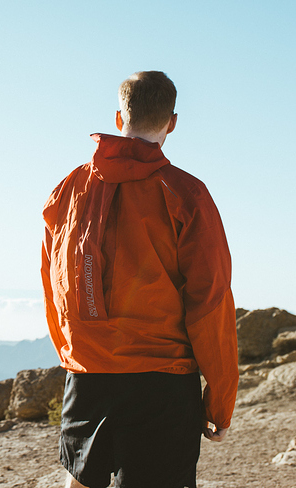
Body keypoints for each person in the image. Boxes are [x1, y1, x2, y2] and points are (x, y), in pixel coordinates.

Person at [41, 71, 239, 488]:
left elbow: (53, 279)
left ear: (118, 118)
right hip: (161, 383)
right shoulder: (186, 194)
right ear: (172, 122)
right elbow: (211, 302)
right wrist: (220, 401)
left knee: (79, 482)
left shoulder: (68, 190)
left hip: (87, 373)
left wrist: (73, 353)